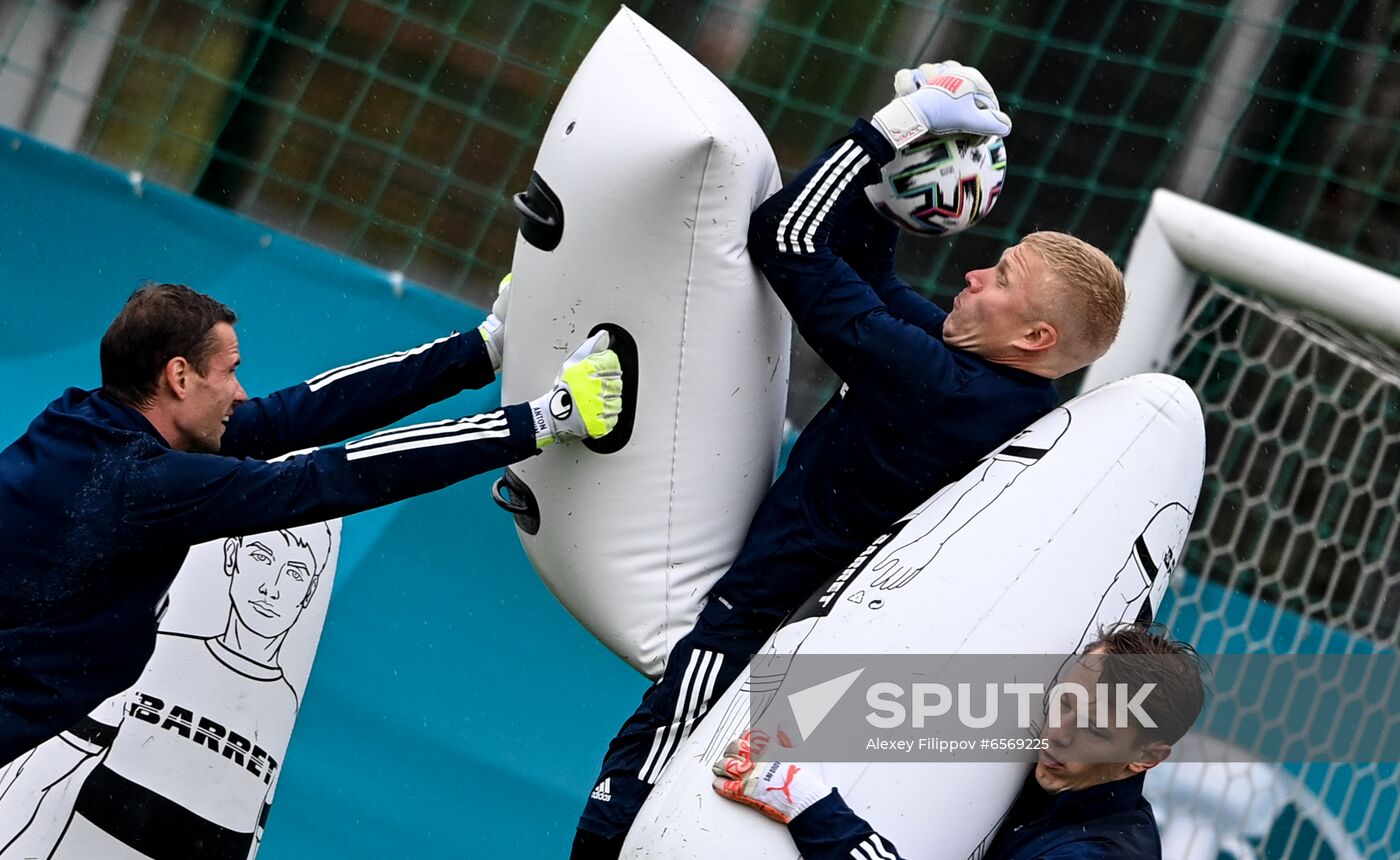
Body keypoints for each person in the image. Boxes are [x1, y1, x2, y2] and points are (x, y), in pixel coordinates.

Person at [571, 62, 1126, 856]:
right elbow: (864, 270)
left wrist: (894, 127)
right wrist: (902, 174)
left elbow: (785, 237)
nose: (972, 273)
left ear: (1036, 339)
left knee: (635, 783)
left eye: (999, 278)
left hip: (754, 633)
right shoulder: (995, 391)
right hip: (815, 665)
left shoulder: (938, 386)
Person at [0, 278, 624, 766]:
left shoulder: (84, 425)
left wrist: (480, 349)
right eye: (231, 370)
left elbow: (294, 416)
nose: (240, 393)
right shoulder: (140, 484)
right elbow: (329, 478)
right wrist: (540, 421)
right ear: (180, 376)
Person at [712, 623, 1208, 859]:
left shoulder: (1098, 857)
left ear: (1144, 758)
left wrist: (810, 806)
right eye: (1062, 702)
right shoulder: (1054, 776)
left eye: (1095, 729)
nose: (1057, 732)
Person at [0, 524, 336, 858]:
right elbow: (46, 772)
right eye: (262, 557)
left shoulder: (289, 709)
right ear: (232, 555)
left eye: (294, 573)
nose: (271, 588)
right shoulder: (156, 653)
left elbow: (255, 832)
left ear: (309, 591)